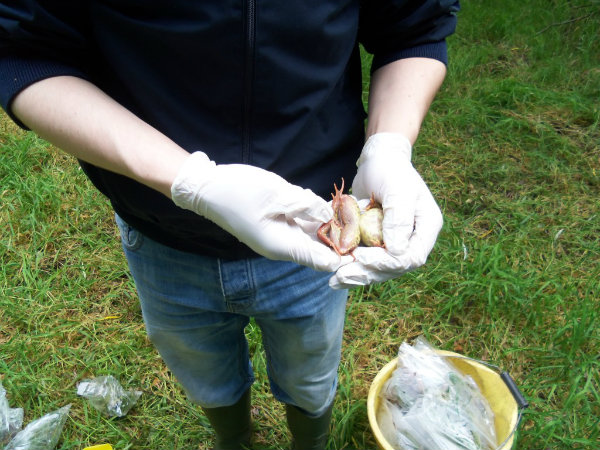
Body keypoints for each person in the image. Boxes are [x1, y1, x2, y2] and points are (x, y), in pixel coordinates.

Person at [0, 1, 459, 449]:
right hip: (163, 236)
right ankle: (234, 438)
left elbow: (414, 27)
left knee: (311, 376)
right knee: (205, 377)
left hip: (309, 236)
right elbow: (24, 51)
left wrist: (389, 143)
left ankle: (309, 441)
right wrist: (191, 181)